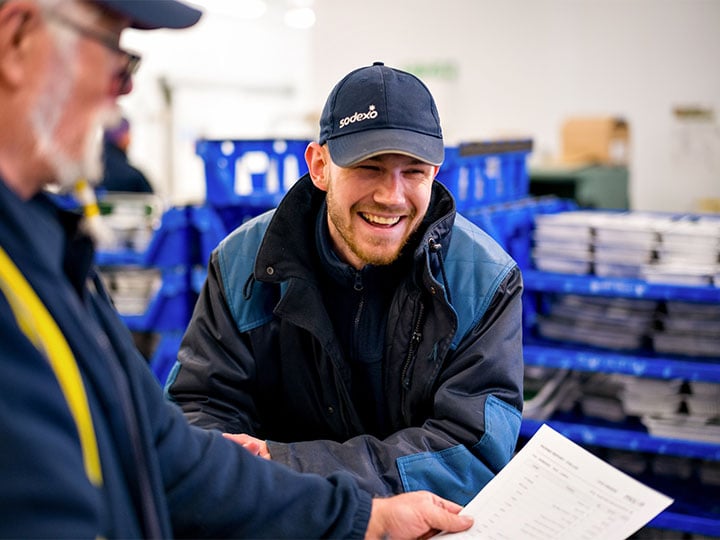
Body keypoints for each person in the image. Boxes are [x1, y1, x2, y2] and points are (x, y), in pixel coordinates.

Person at [0, 2, 473, 538]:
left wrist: (365, 518)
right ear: (18, 40)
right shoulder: (242, 264)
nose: (124, 89)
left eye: (412, 171)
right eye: (114, 49)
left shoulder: (49, 251)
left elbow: (163, 454)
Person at [166, 62, 525, 506]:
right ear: (320, 166)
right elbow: (198, 406)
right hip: (280, 518)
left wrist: (287, 464)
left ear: (435, 172)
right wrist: (244, 469)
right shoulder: (243, 263)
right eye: (369, 166)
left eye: (412, 171)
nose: (391, 196)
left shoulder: (485, 280)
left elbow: (472, 451)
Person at [99, 114, 154, 193]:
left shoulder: (92, 174)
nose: (130, 138)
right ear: (122, 136)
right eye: (128, 133)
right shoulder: (134, 177)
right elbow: (151, 201)